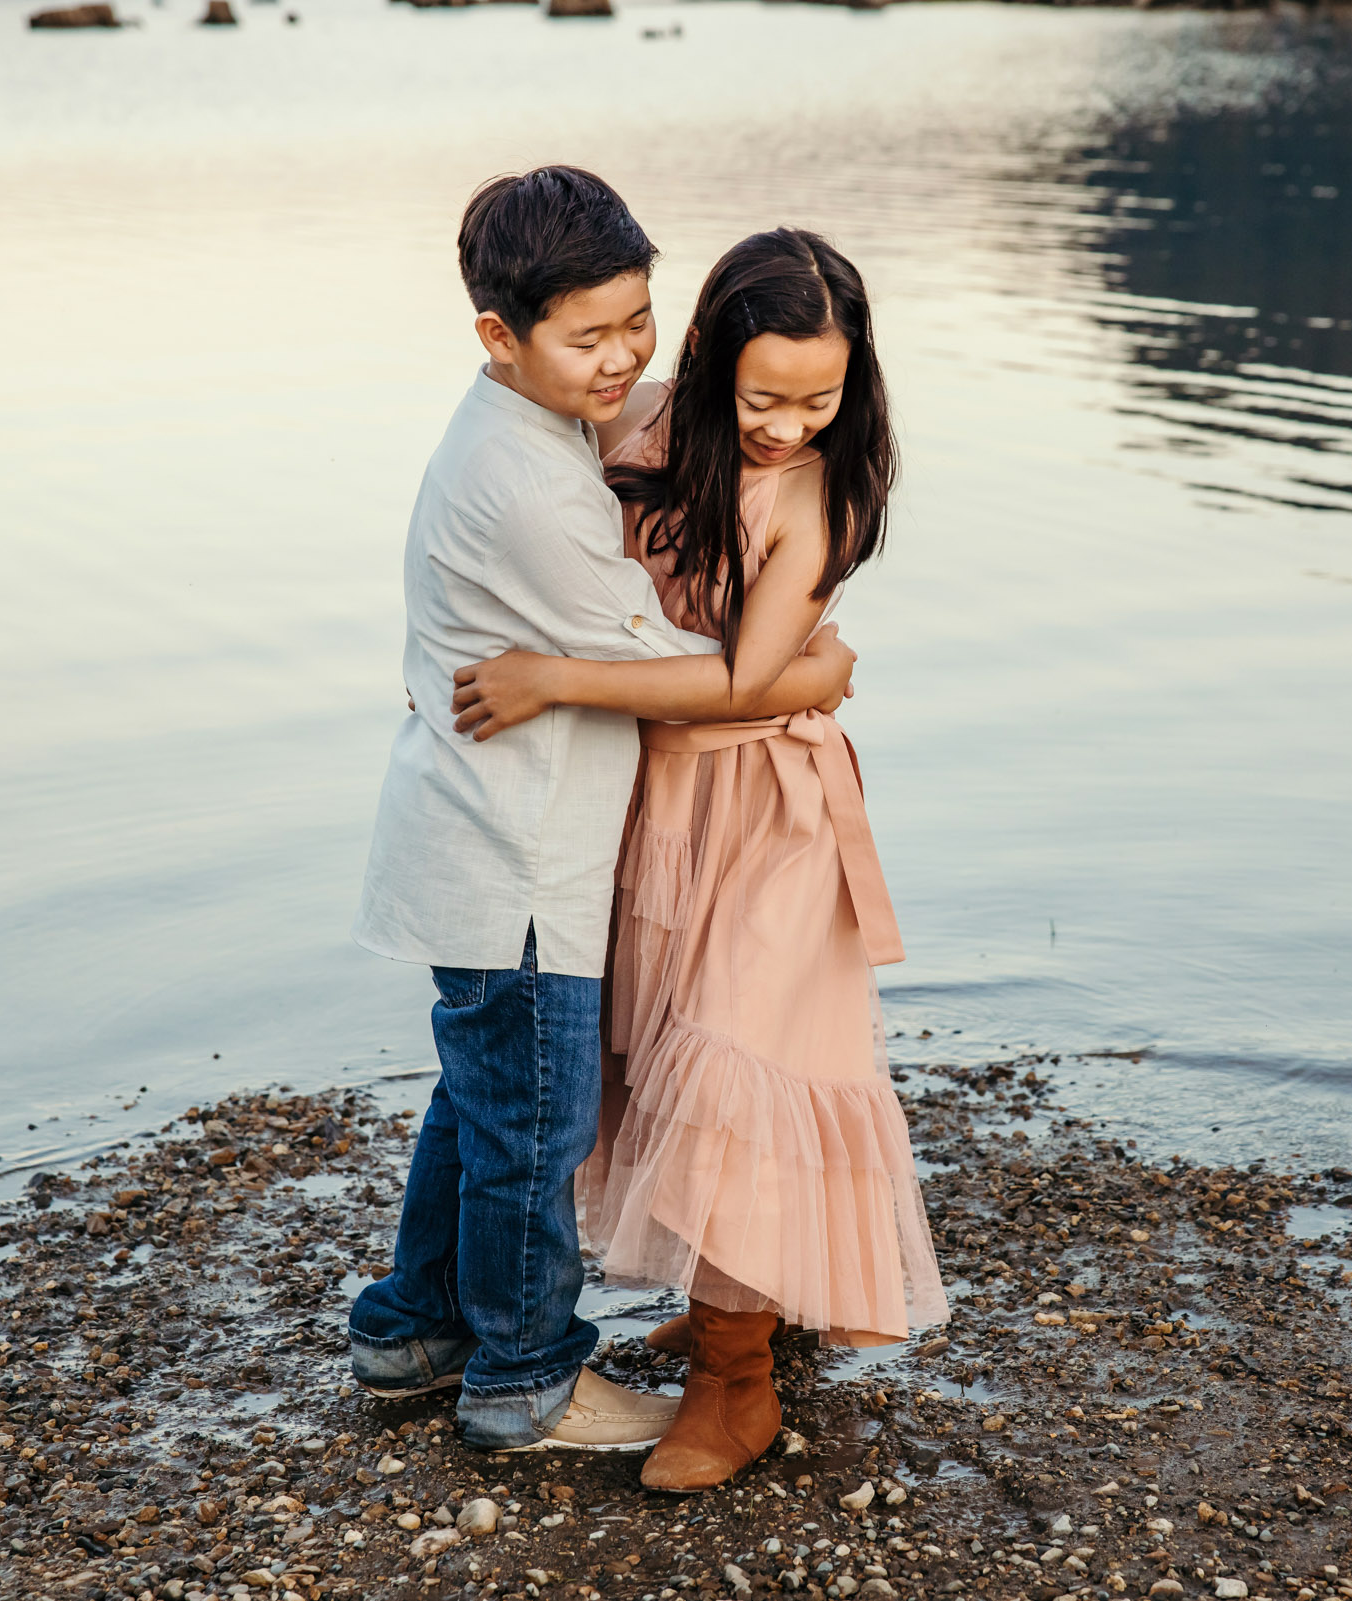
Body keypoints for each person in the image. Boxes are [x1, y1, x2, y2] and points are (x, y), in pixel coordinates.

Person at [350, 170, 859, 1454]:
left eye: (638, 317)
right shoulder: (533, 486)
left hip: (497, 832)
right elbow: (685, 672)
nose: (621, 353)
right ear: (499, 336)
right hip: (518, 851)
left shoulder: (548, 425)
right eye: (591, 334)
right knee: (533, 1123)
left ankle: (414, 1323)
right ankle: (527, 1376)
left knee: (479, 1100)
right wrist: (815, 672)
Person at [448, 228, 947, 1491]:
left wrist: (559, 680)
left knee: (744, 1053)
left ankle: (739, 1380)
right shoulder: (649, 430)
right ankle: (742, 1297)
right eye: (763, 396)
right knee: (661, 1040)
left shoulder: (822, 488)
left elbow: (736, 682)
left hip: (767, 803)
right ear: (714, 363)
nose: (787, 425)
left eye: (819, 397)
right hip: (650, 798)